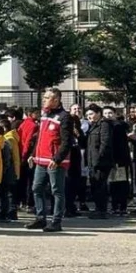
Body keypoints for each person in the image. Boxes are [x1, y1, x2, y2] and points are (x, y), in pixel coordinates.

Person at [26, 88, 75, 232]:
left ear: (56, 100)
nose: (44, 100)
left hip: (54, 161)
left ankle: (56, 221)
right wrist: (32, 154)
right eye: (44, 97)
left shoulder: (64, 117)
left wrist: (58, 158)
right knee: (36, 188)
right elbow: (40, 137)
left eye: (47, 98)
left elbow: (67, 141)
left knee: (57, 191)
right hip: (40, 159)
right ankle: (41, 218)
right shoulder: (44, 115)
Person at [84, 104, 114, 219]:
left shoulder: (104, 125)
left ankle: (102, 210)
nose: (89, 117)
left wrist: (98, 159)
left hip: (101, 162)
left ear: (98, 113)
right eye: (87, 115)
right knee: (95, 186)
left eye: (91, 114)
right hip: (93, 161)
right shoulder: (93, 126)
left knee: (100, 186)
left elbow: (105, 144)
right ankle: (98, 209)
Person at [104, 106, 132, 216]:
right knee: (114, 184)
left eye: (110, 113)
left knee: (120, 184)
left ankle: (121, 207)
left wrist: (117, 160)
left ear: (115, 114)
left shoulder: (117, 127)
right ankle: (116, 206)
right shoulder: (106, 126)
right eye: (105, 113)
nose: (108, 115)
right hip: (113, 159)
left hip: (119, 160)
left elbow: (120, 146)